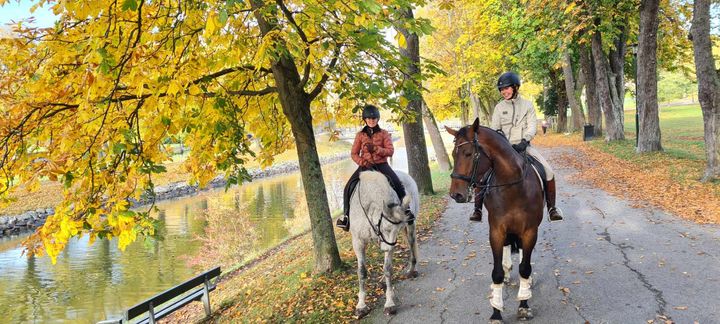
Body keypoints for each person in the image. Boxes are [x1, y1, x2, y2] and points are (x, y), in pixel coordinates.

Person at [471, 71, 563, 222]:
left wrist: (525, 141)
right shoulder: (499, 108)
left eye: (506, 88)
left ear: (515, 87)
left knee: (548, 170)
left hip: (524, 147)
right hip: (503, 150)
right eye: (501, 90)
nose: (503, 92)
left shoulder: (527, 105)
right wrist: (501, 145)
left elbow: (532, 125)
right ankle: (477, 209)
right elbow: (495, 129)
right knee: (483, 175)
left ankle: (552, 208)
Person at [336, 104, 414, 231]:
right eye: (369, 118)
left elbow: (390, 151)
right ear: (365, 120)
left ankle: (407, 210)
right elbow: (353, 154)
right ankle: (346, 217)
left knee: (397, 183)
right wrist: (363, 162)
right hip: (365, 166)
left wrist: (376, 149)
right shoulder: (360, 135)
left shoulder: (384, 134)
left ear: (377, 119)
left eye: (374, 118)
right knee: (348, 187)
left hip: (381, 165)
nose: (371, 121)